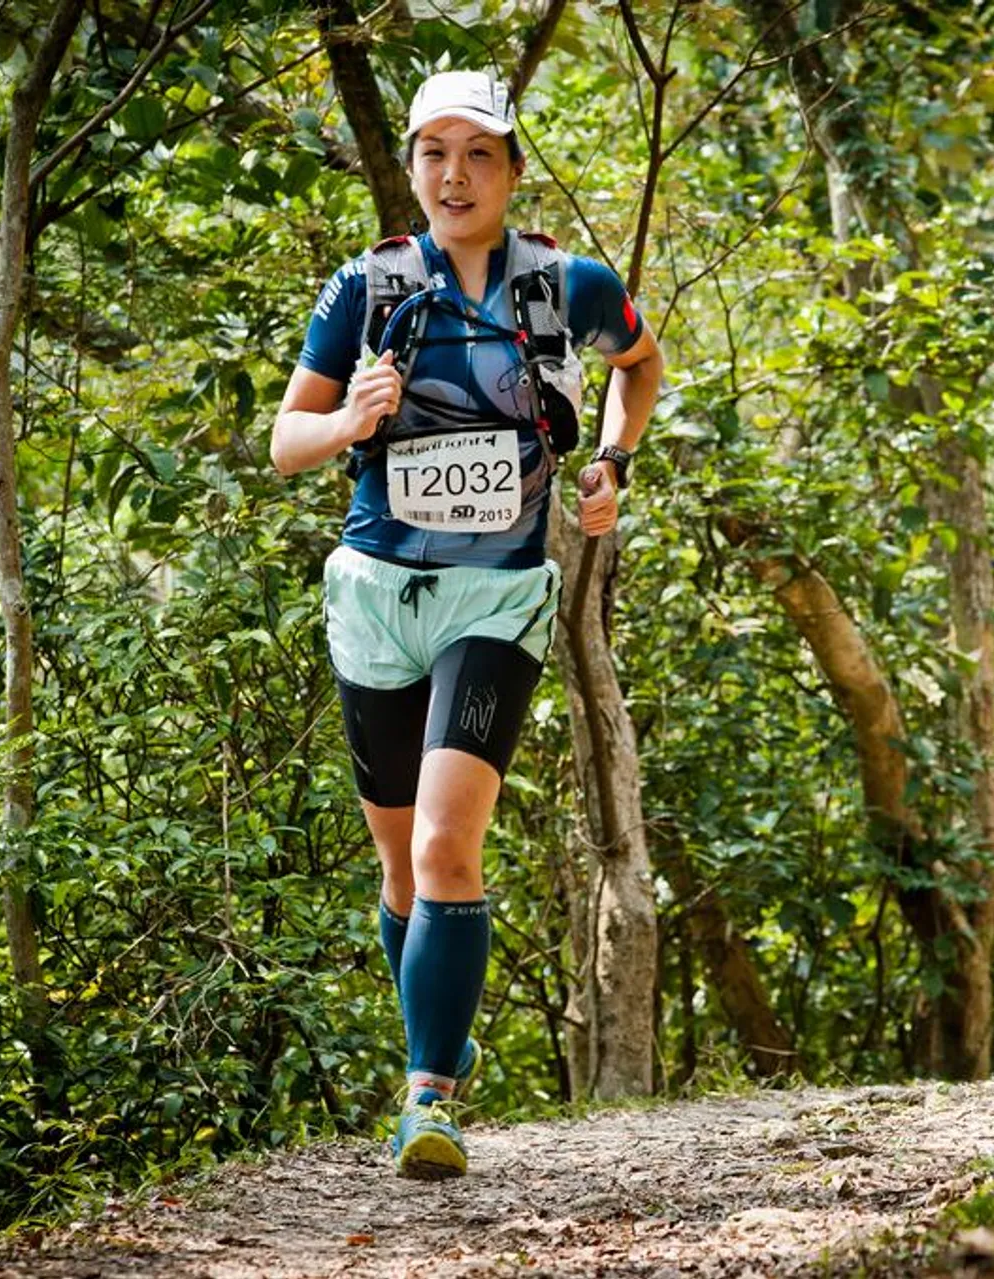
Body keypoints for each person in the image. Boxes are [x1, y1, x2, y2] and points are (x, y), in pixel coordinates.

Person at [270, 70, 664, 1180]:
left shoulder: (567, 283)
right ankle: (438, 1032)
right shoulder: (368, 284)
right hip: (376, 593)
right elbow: (284, 442)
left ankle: (428, 1098)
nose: (455, 174)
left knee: (449, 842)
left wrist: (610, 464)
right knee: (402, 875)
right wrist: (350, 415)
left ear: (512, 168)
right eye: (435, 153)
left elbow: (637, 365)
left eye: (478, 153)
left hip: (496, 595)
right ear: (412, 167)